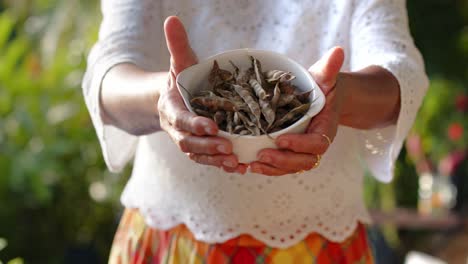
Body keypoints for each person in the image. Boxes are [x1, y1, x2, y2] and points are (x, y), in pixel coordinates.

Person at [82, 0, 429, 263]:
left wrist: (340, 97)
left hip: (319, 239)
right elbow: (108, 74)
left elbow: (401, 73)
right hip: (171, 236)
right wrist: (165, 96)